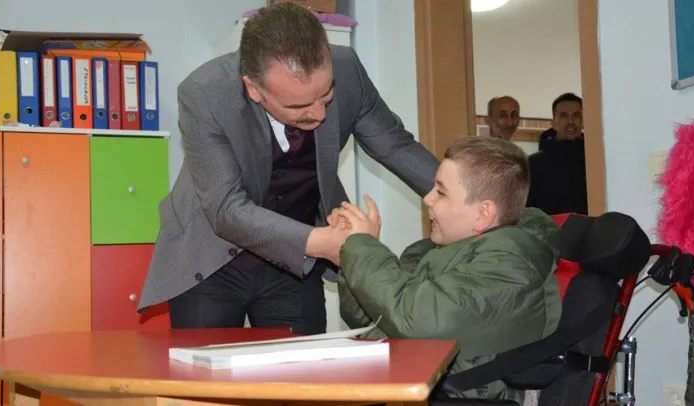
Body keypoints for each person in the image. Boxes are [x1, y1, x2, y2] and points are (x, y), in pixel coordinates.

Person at [136, 3, 440, 335]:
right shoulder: (205, 93)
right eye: (298, 105)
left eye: (325, 94)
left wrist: (460, 196)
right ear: (254, 89)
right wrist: (323, 242)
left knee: (304, 366)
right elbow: (225, 209)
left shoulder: (348, 69)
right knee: (206, 369)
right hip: (211, 258)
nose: (319, 114)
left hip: (294, 263)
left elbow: (395, 146)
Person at [330, 136, 562, 404]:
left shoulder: (510, 266)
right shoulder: (439, 251)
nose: (428, 199)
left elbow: (414, 321)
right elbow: (369, 319)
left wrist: (362, 248)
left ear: (483, 214)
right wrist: (347, 256)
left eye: (441, 192)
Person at [528, 92, 587, 215]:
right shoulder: (534, 164)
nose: (571, 121)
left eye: (576, 116)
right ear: (554, 123)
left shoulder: (593, 161)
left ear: (583, 121)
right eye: (564, 116)